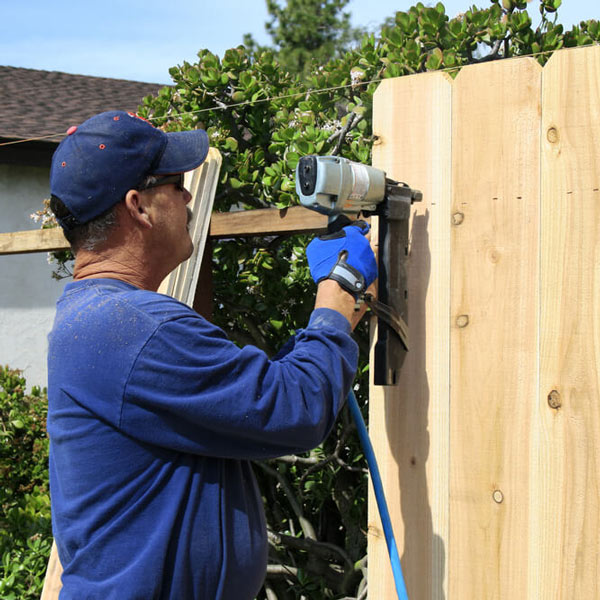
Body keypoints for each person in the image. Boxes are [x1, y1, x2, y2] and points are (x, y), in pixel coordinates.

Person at [46, 110, 377, 599]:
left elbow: (248, 401)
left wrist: (328, 321)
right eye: (175, 184)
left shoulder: (99, 319)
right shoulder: (132, 329)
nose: (187, 197)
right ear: (138, 206)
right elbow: (293, 408)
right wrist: (340, 292)